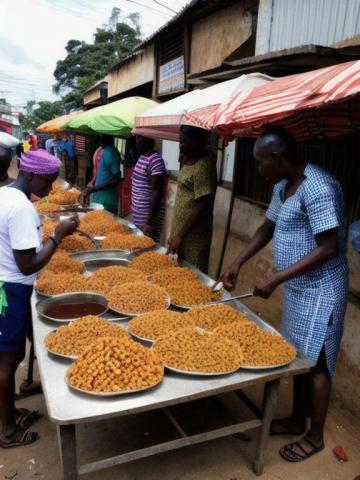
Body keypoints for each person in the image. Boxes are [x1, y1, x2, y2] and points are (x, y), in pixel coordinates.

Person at [222, 127, 348, 463]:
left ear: (278, 158)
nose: (259, 169)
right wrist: (238, 261)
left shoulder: (319, 187)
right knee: (301, 357)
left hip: (322, 289)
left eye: (262, 162)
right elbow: (267, 227)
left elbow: (329, 247)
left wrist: (276, 278)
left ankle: (316, 436)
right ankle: (296, 419)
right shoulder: (282, 187)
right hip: (298, 288)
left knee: (319, 363)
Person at [0, 149, 79, 448]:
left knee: (11, 356)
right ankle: (7, 431)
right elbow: (28, 264)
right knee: (7, 362)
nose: (50, 188)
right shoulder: (21, 208)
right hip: (11, 290)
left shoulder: (6, 194)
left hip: (6, 284)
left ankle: (10, 412)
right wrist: (58, 235)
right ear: (30, 175)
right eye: (47, 181)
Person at [168, 126, 217, 272]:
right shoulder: (187, 160)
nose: (180, 145)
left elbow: (202, 204)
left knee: (191, 277)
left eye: (184, 142)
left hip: (193, 236)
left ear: (197, 142)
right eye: (180, 141)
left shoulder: (203, 165)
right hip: (181, 233)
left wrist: (180, 236)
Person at [131, 135, 166, 240]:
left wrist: (148, 222)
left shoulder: (155, 160)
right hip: (138, 218)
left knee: (147, 253)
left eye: (139, 138)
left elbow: (157, 192)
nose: (136, 142)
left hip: (147, 221)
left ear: (148, 139)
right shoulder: (142, 157)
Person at [83, 135, 122, 214]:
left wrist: (94, 189)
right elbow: (99, 171)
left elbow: (116, 179)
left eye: (103, 135)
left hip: (107, 201)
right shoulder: (101, 150)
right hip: (97, 199)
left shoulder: (112, 153)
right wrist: (92, 183)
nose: (101, 137)